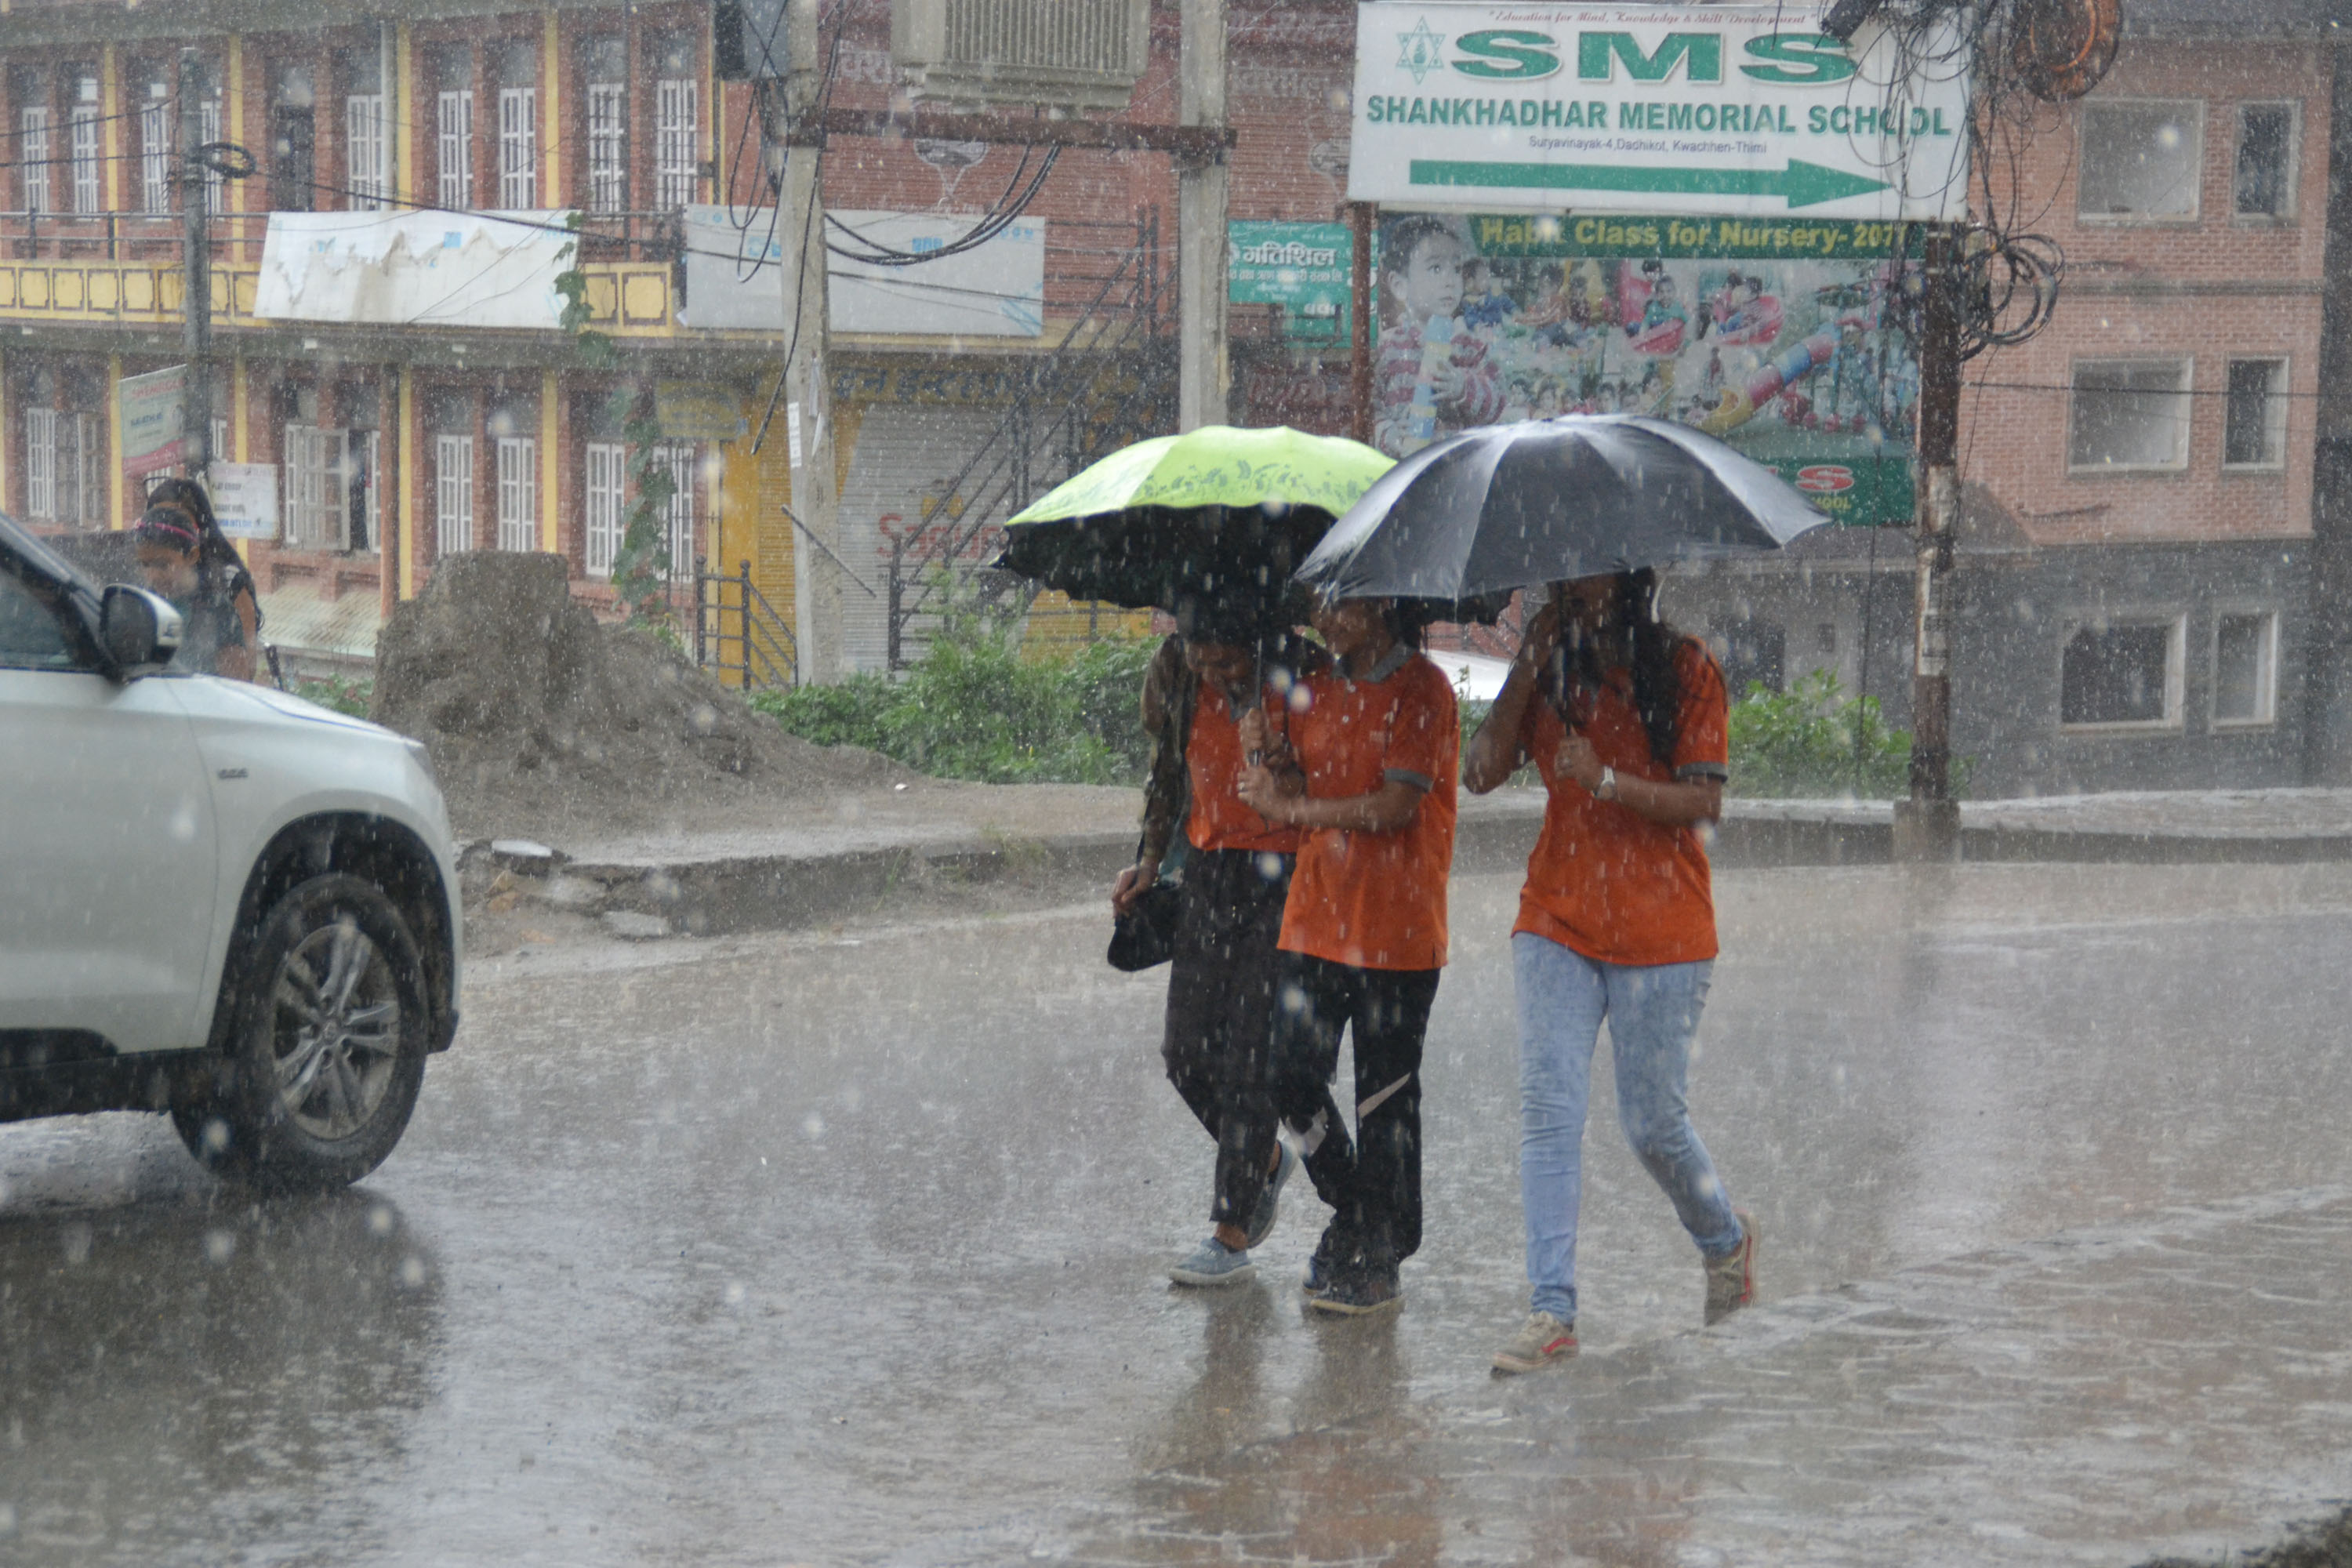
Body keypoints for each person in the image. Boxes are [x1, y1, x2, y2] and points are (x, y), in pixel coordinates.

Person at [1463, 571, 1756, 1374]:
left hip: (1664, 930)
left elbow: (1704, 803)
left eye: (1588, 571)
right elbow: (1479, 770)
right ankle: (1551, 1310)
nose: (1569, 585)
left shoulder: (1688, 668)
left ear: (1628, 576)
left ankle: (1725, 1239)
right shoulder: (1552, 669)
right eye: (1560, 574)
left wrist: (1606, 780)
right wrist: (1527, 663)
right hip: (1555, 919)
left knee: (1652, 1123)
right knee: (1548, 1111)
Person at [1236, 595, 1457, 1316]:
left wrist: (1296, 811)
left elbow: (1394, 807)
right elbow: (1299, 786)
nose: (1321, 619)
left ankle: (1381, 1252)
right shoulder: (1317, 687)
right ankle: (1360, 1210)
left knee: (1385, 1099)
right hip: (1316, 919)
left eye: (1339, 605)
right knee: (1288, 1075)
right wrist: (1268, 760)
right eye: (1317, 605)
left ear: (1383, 605)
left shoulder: (1422, 689)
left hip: (1397, 929)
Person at [1118, 615, 1325, 1287]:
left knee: (1249, 1054)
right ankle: (1263, 1158)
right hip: (1209, 868)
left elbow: (1329, 779)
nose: (1215, 679)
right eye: (1204, 665)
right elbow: (1169, 776)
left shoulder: (1303, 673)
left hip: (1286, 871)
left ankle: (1230, 1231)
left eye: (1228, 667)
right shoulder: (1175, 672)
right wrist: (1150, 862)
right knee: (1184, 1051)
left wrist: (1285, 765)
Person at [1373, 215, 1504, 457]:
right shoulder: (1388, 348)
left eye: (1456, 269)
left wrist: (1464, 386)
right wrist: (1389, 435)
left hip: (1455, 470)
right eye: (1435, 268)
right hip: (1401, 472)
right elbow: (1370, 410)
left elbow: (1497, 403)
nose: (1450, 280)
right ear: (1400, 285)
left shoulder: (1470, 348)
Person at [133, 477, 260, 681]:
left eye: (178, 519)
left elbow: (242, 673)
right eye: (159, 519)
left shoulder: (224, 589)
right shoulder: (144, 596)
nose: (153, 575)